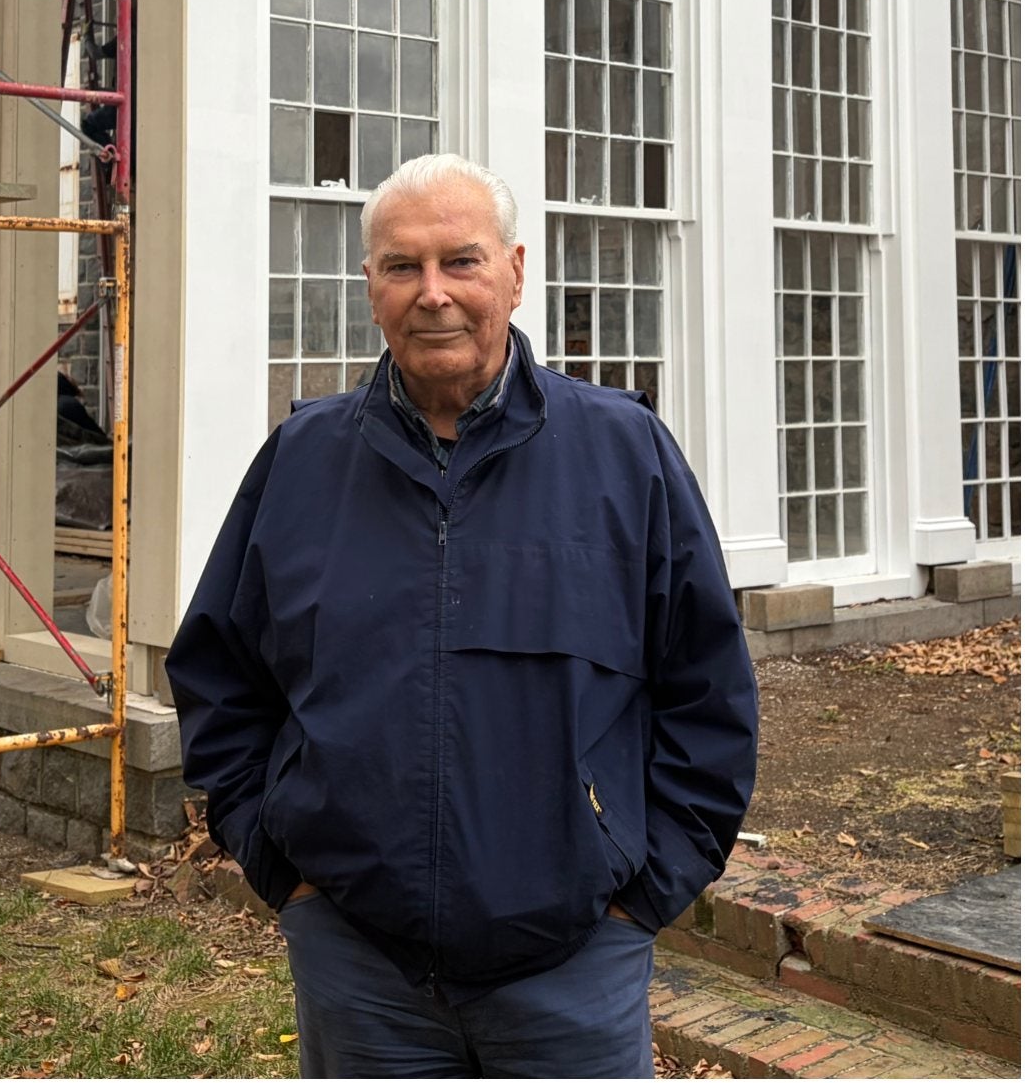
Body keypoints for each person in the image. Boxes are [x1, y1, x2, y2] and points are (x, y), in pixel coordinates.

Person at [165, 153, 759, 1078]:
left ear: (515, 272)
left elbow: (708, 689)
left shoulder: (623, 453)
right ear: (371, 287)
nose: (432, 293)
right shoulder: (302, 460)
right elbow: (219, 678)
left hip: (575, 972)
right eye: (402, 266)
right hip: (362, 972)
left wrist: (641, 899)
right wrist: (288, 877)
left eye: (461, 261)